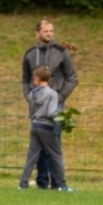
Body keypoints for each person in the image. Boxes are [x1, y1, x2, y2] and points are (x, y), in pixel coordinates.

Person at [22, 19, 78, 189]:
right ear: (37, 33)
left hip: (55, 106)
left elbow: (73, 78)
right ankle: (41, 181)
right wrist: (29, 96)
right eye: (45, 31)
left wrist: (59, 97)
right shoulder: (30, 53)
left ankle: (57, 183)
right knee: (38, 148)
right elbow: (25, 79)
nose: (49, 34)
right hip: (37, 106)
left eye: (51, 31)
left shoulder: (61, 52)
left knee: (53, 145)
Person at [19, 67, 74, 192]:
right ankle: (62, 184)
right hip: (46, 127)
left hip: (35, 125)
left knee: (32, 156)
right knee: (56, 155)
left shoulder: (32, 93)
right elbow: (51, 112)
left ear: (37, 78)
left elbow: (31, 111)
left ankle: (23, 183)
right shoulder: (52, 94)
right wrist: (61, 116)